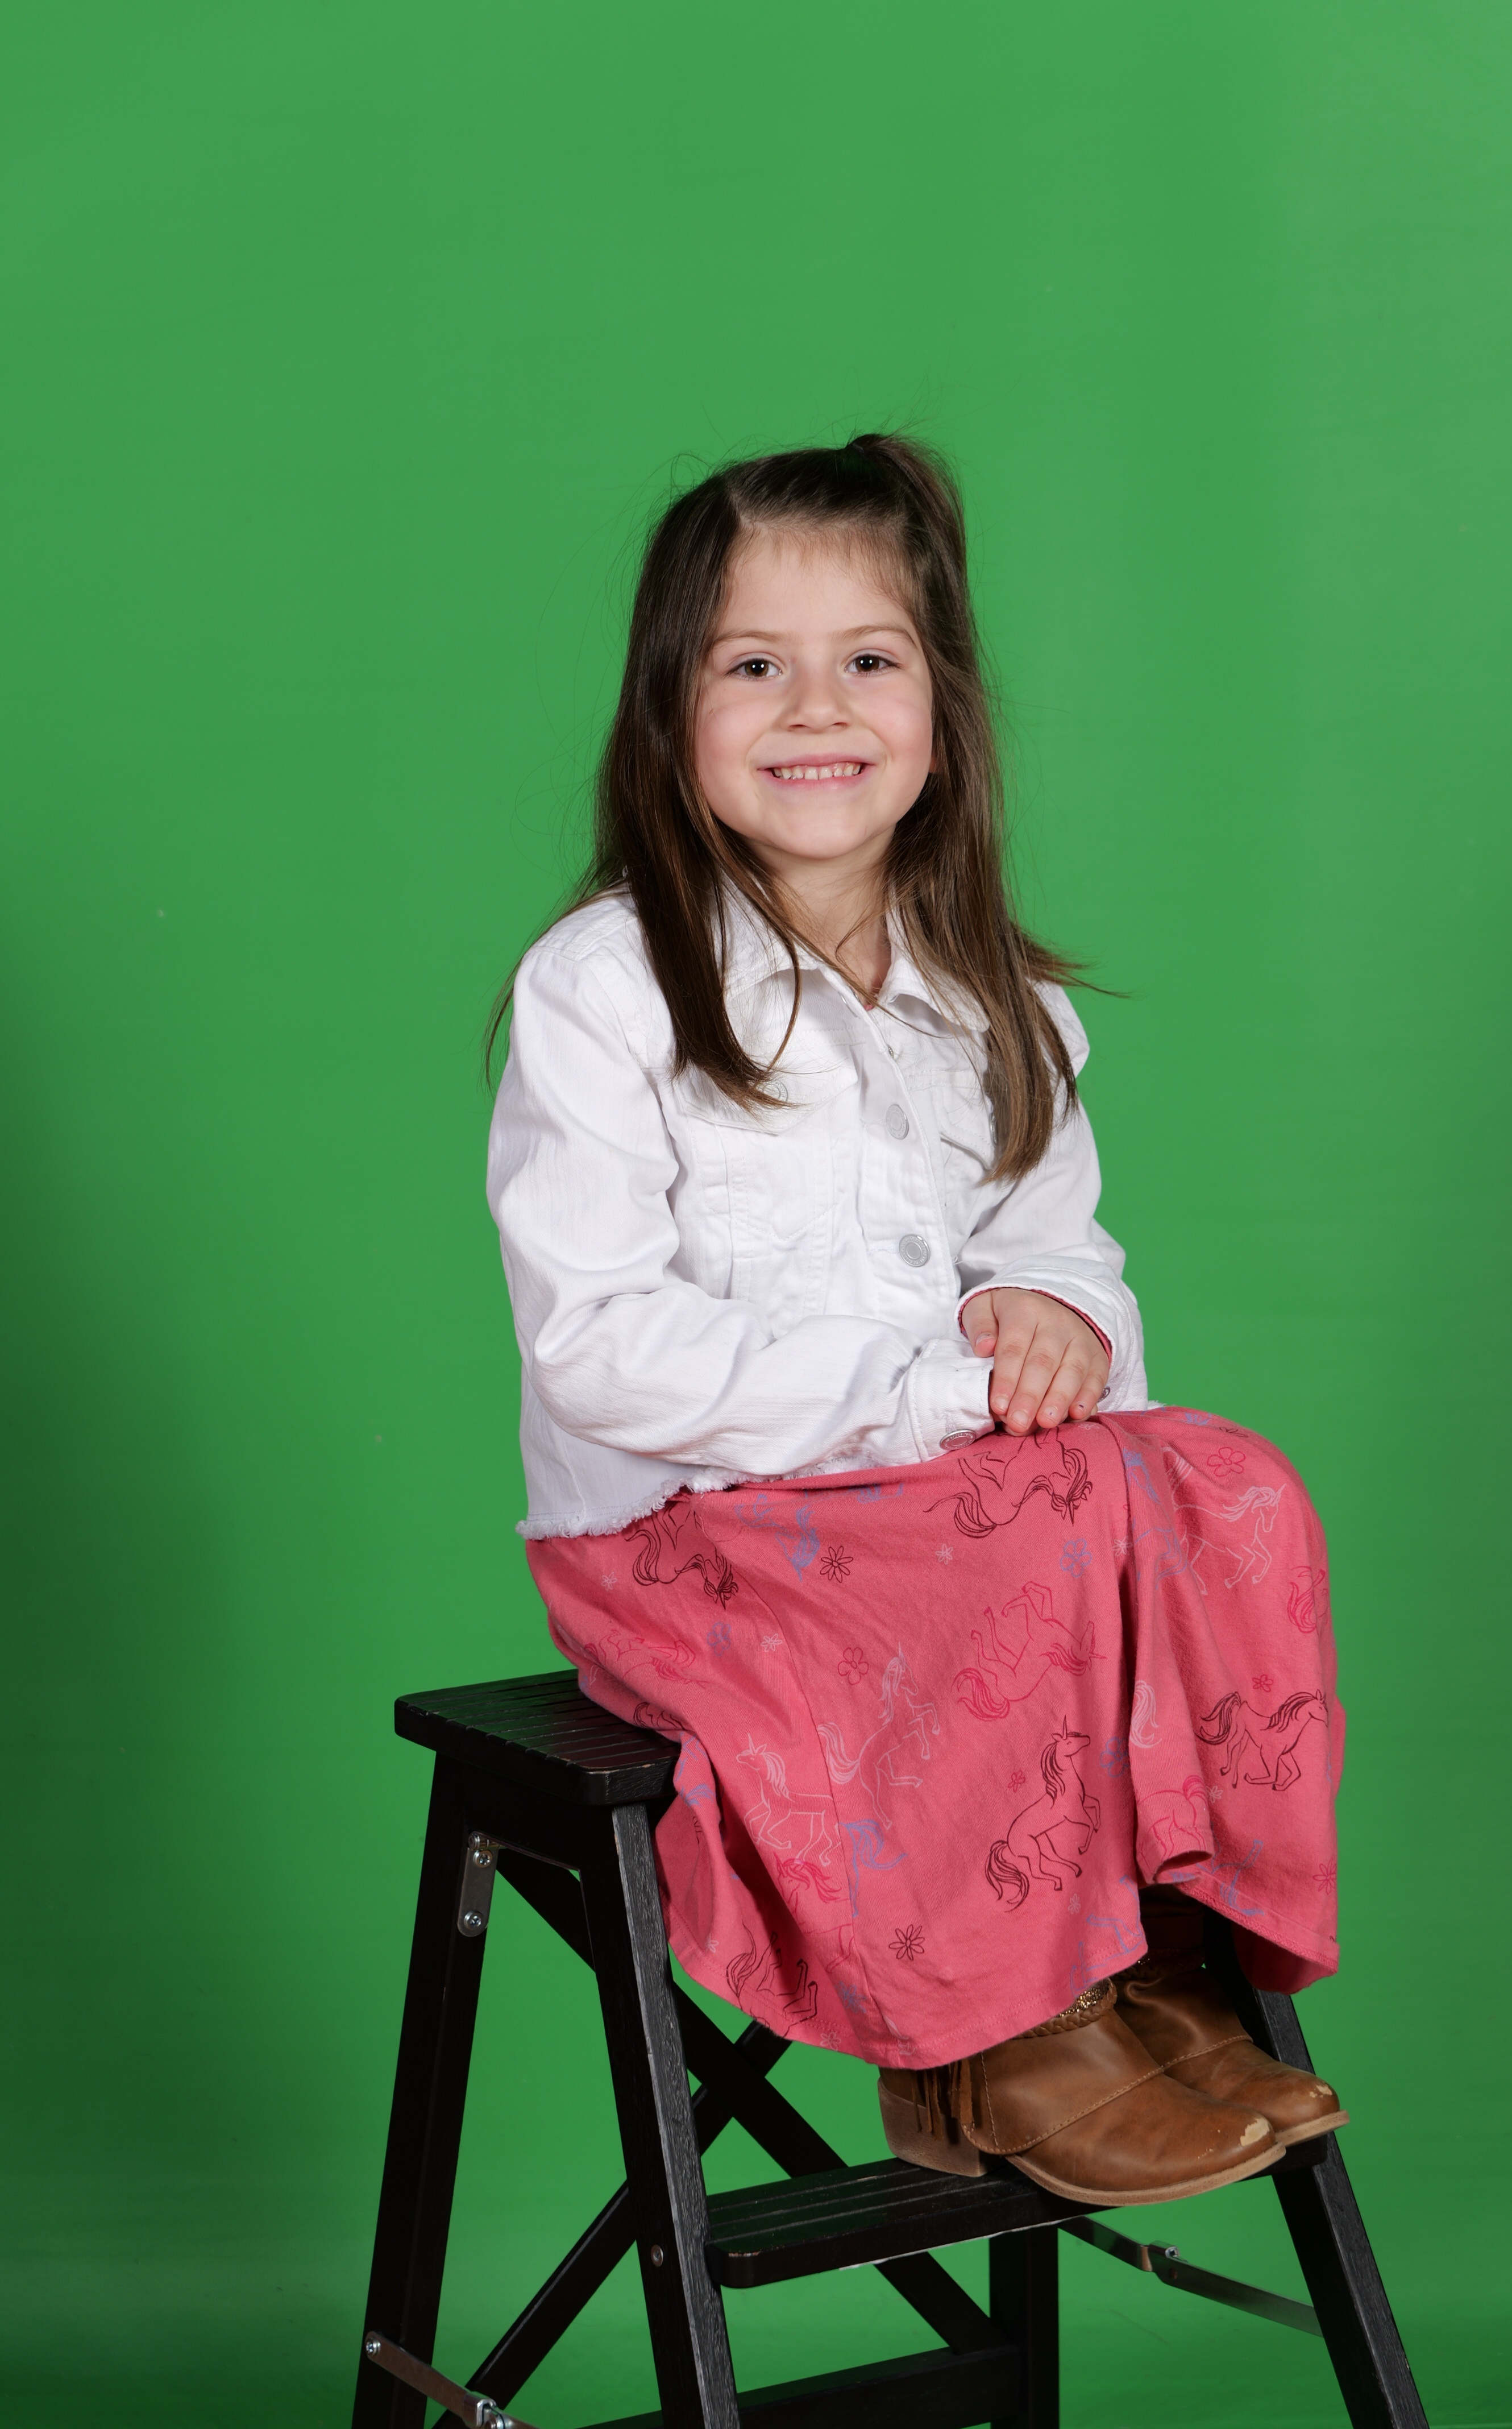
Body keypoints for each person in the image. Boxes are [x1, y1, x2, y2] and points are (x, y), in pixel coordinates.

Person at [487, 434, 1347, 2207]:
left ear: (942, 709)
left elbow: (1059, 1243)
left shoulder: (994, 999)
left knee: (1227, 1487)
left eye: (868, 659)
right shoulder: (608, 985)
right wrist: (931, 1393)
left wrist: (1047, 1314)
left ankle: (1160, 1963)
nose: (817, 708)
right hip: (690, 1538)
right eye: (754, 664)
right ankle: (994, 2034)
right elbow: (598, 1343)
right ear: (670, 712)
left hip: (941, 1504)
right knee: (1029, 1535)